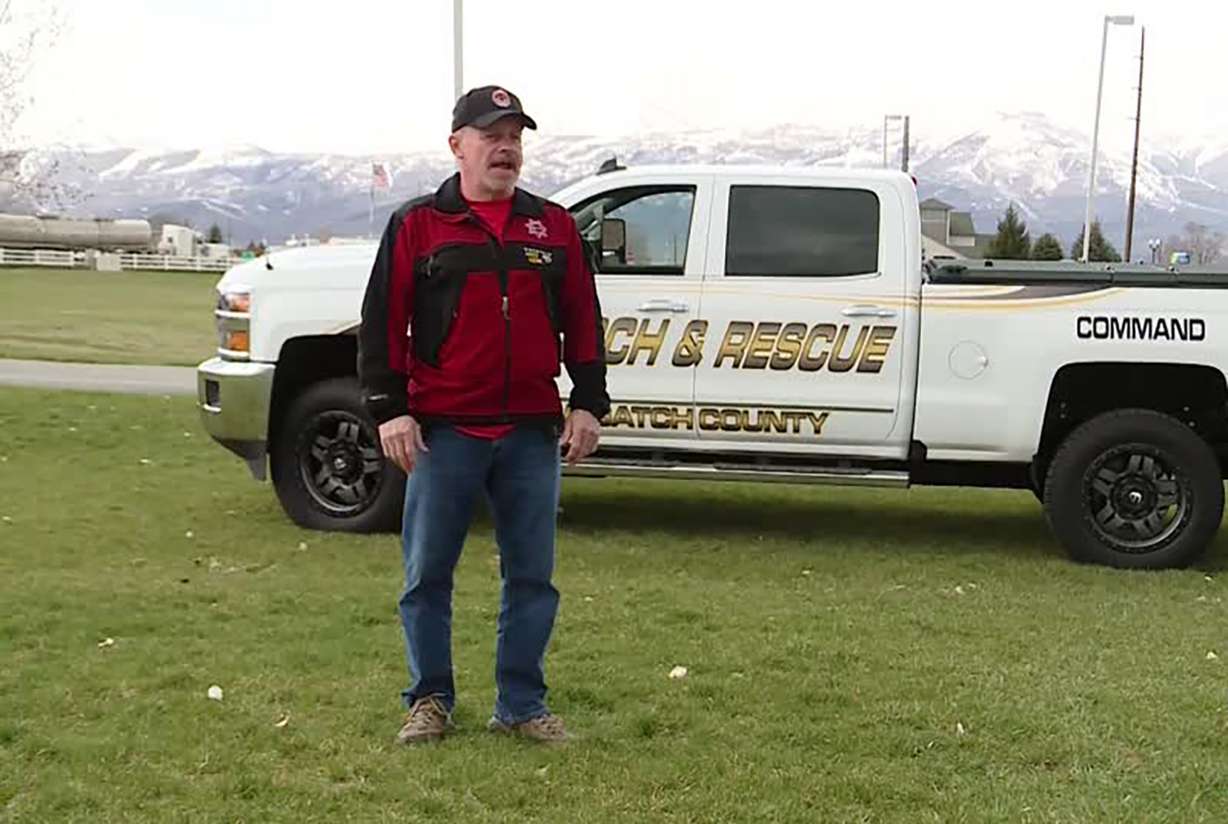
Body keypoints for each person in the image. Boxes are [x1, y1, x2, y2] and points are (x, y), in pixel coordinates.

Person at [357, 85, 610, 745]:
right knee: (426, 575)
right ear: (457, 145)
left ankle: (521, 705)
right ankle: (430, 700)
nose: (506, 148)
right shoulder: (419, 226)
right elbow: (382, 324)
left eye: (515, 137)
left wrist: (588, 400)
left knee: (532, 576)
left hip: (529, 430)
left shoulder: (552, 227)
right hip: (444, 432)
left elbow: (584, 316)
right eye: (491, 135)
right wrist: (391, 410)